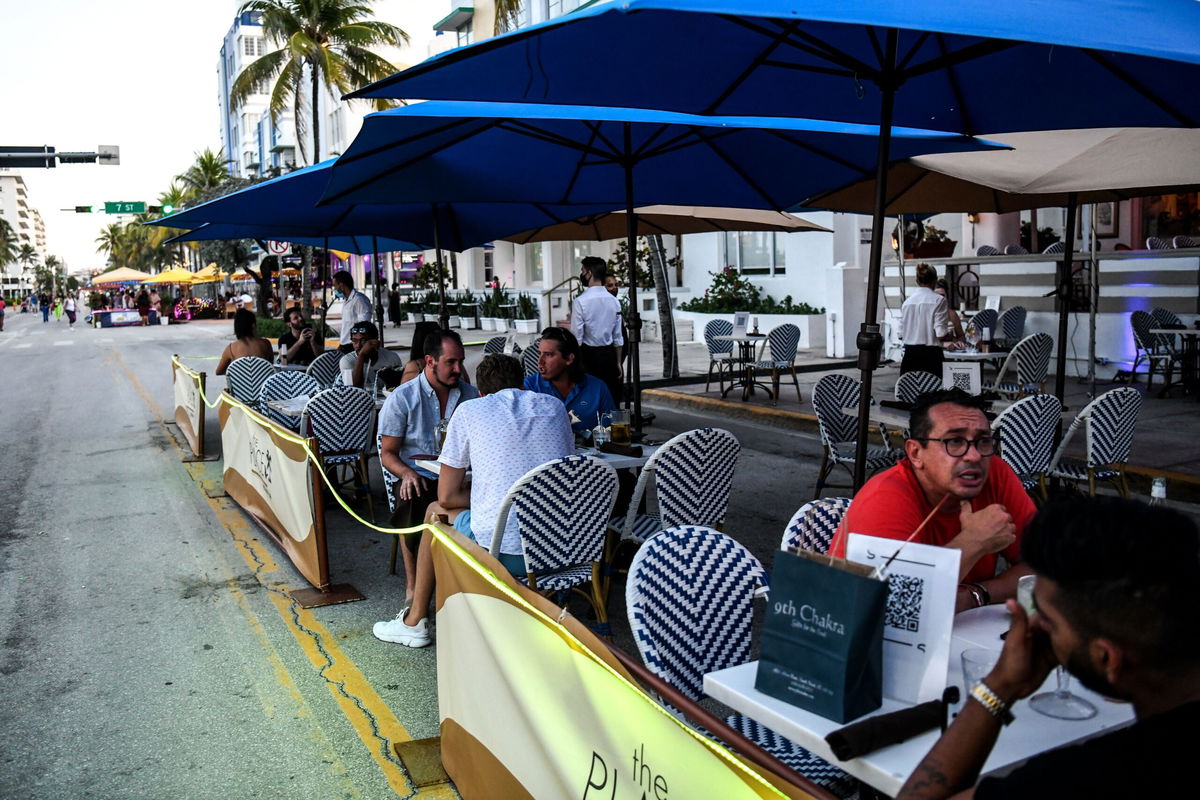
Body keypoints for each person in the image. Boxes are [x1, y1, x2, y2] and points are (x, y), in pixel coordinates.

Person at [896, 496, 1200, 799]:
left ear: (1106, 658)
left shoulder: (1088, 778)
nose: (1034, 627)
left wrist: (999, 686)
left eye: (1049, 623)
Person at [373, 354, 573, 647]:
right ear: (522, 382)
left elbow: (447, 495)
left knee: (433, 511)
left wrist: (491, 491)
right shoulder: (554, 407)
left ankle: (414, 621)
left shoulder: (470, 411)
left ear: (480, 392)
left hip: (511, 555)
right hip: (567, 547)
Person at [830, 389, 1035, 613]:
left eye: (983, 441)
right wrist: (974, 541)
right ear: (916, 453)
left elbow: (1048, 566)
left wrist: (976, 594)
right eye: (955, 441)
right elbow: (898, 610)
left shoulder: (995, 473)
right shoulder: (886, 497)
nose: (974, 455)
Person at [377, 329, 480, 608]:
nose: (459, 369)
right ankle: (414, 586)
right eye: (451, 362)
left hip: (461, 479)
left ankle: (469, 583)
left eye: (460, 361)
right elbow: (387, 453)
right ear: (430, 361)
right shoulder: (403, 397)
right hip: (419, 475)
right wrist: (406, 473)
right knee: (411, 496)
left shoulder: (471, 396)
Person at [524, 326, 616, 435]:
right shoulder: (529, 388)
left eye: (548, 355)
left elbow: (611, 430)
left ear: (569, 358)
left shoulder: (597, 388)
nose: (540, 362)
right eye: (540, 354)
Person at [571, 256, 625, 404]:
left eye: (582, 270)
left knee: (591, 400)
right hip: (609, 356)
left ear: (588, 273)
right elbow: (618, 337)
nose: (581, 273)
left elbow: (577, 338)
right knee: (610, 399)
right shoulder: (614, 301)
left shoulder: (580, 301)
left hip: (588, 356)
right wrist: (618, 363)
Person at [899, 263, 953, 375]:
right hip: (931, 357)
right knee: (933, 391)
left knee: (910, 390)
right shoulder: (939, 301)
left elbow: (900, 334)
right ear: (935, 280)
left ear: (917, 281)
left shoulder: (907, 303)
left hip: (910, 356)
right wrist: (951, 335)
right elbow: (941, 334)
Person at [339, 320, 404, 391]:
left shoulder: (392, 357)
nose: (358, 345)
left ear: (375, 341)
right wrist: (361, 356)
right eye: (355, 341)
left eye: (363, 341)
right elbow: (353, 390)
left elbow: (400, 386)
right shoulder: (346, 361)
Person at [215, 308, 275, 375]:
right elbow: (270, 366)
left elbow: (218, 372)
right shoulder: (266, 344)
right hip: (263, 384)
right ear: (253, 325)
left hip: (239, 385)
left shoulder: (231, 348)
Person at [332, 270, 372, 353]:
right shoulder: (347, 300)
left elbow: (364, 325)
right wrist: (341, 344)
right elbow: (346, 326)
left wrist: (358, 346)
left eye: (335, 285)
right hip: (345, 344)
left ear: (341, 284)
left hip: (354, 346)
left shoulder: (359, 300)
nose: (334, 288)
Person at [934, 278, 965, 349]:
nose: (940, 299)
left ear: (947, 297)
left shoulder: (952, 314)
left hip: (950, 354)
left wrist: (959, 341)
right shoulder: (927, 314)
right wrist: (943, 344)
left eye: (942, 295)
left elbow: (961, 335)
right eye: (936, 295)